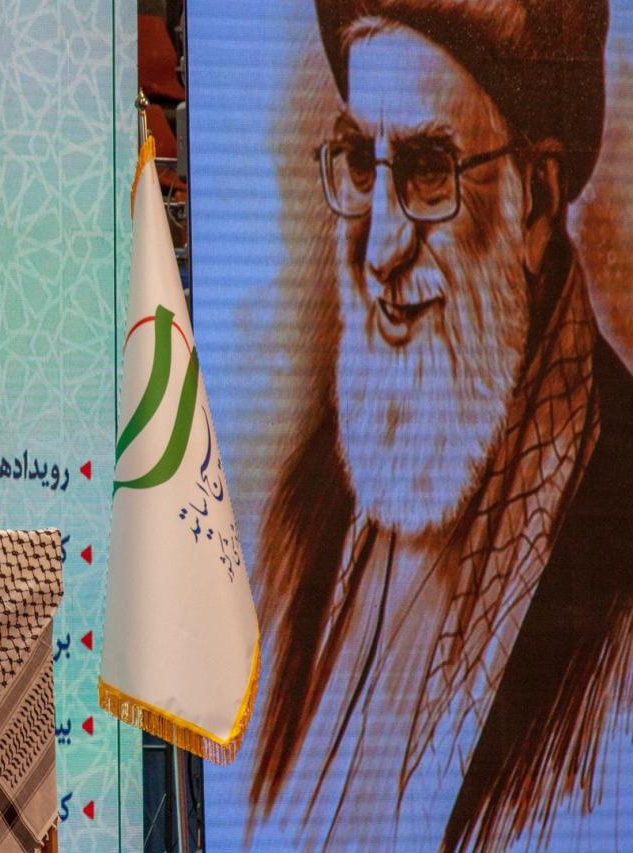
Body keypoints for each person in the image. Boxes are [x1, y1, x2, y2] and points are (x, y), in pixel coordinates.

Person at [249, 2, 633, 850]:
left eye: (429, 170)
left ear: (535, 205)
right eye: (361, 161)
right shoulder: (305, 514)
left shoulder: (620, 534)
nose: (379, 248)